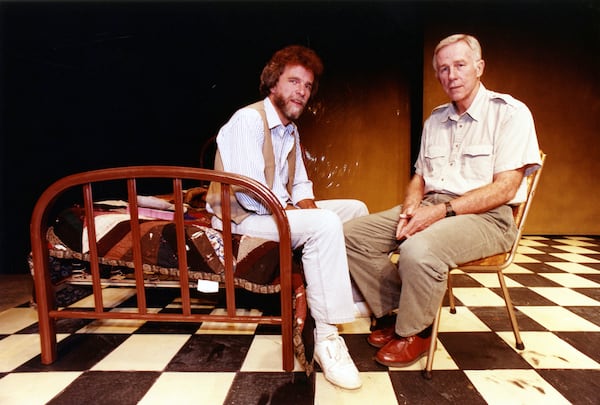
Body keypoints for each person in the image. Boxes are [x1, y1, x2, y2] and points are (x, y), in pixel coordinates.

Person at [344, 34, 541, 368]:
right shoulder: (435, 119)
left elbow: (506, 188)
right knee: (351, 235)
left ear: (479, 67)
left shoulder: (509, 113)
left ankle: (415, 330)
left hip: (488, 217)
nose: (452, 75)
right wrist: (411, 207)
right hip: (433, 204)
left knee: (418, 249)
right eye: (443, 69)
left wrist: (439, 212)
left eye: (460, 65)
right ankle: (401, 308)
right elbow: (420, 177)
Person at [206, 45, 368, 389]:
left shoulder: (289, 131)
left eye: (308, 86)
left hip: (271, 212)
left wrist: (306, 206)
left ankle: (350, 295)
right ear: (272, 84)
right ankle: (327, 338)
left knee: (355, 209)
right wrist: (305, 216)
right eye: (294, 81)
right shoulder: (247, 120)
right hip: (240, 221)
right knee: (324, 224)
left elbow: (300, 183)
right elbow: (252, 192)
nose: (302, 92)